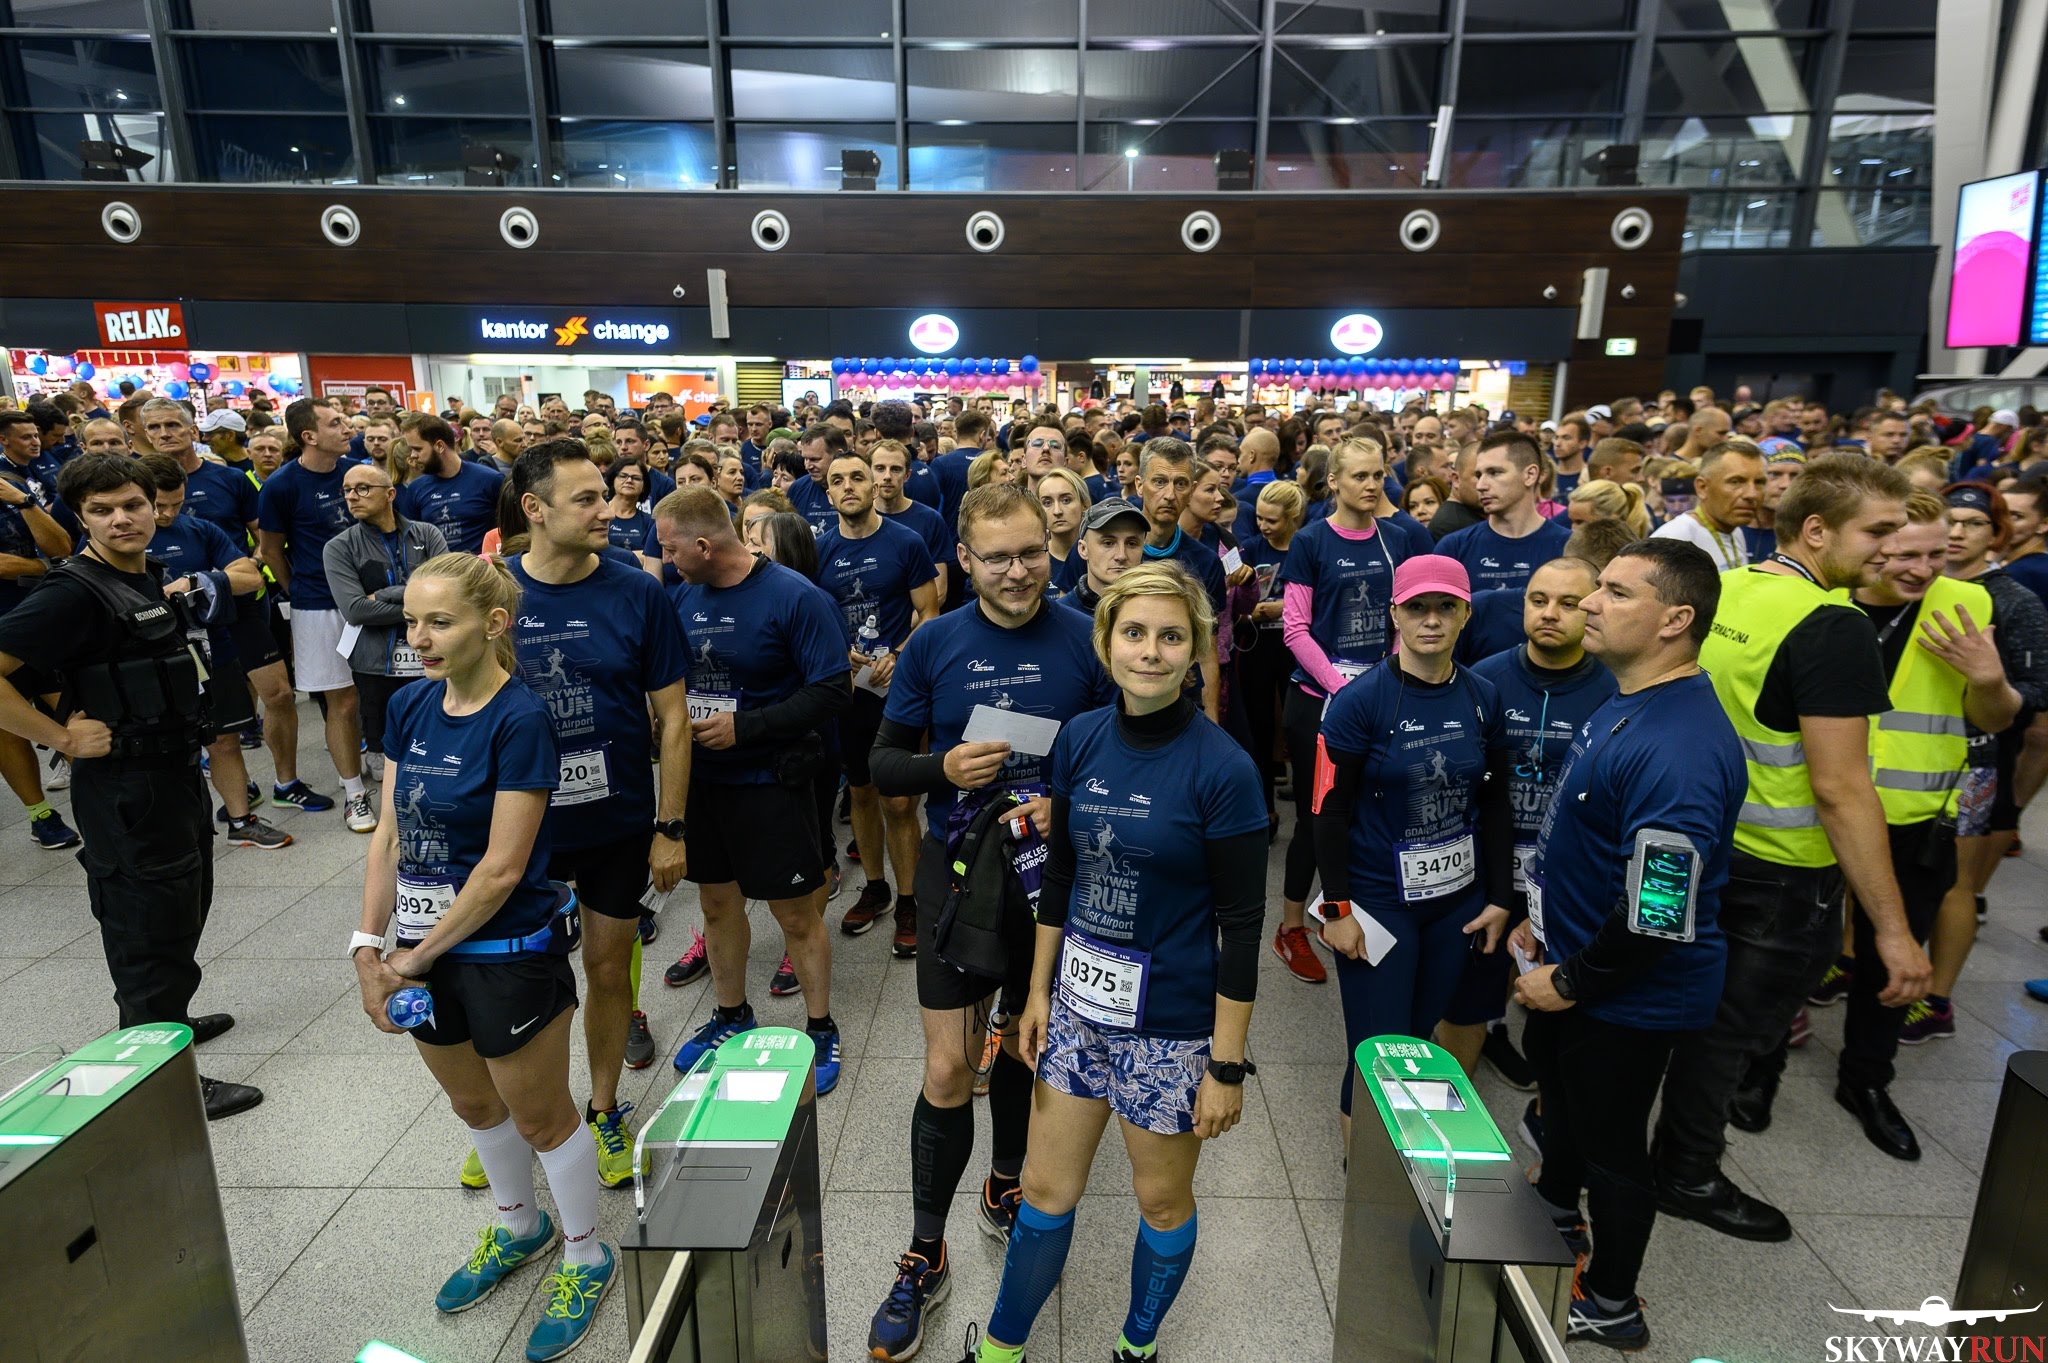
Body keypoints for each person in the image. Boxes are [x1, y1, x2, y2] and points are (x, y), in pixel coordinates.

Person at [954, 562, 1265, 1363]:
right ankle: (1000, 1350)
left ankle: (1137, 1343)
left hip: (1171, 1028)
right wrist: (1037, 993)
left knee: (1160, 1200)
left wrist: (1225, 1066)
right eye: (1134, 632)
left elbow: (1241, 926)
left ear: (1197, 649)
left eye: (1171, 636)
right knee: (1045, 1190)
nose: (1151, 651)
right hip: (1077, 1010)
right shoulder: (1083, 737)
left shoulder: (1225, 768)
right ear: (1106, 641)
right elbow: (1061, 874)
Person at [865, 484, 1117, 1361]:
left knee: (1026, 1043)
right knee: (946, 1067)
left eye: (1032, 551)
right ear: (964, 559)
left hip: (1056, 876)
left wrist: (1068, 803)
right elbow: (882, 763)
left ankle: (1004, 1182)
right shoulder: (936, 642)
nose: (1018, 570)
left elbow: (1124, 756)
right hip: (961, 874)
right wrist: (943, 767)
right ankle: (924, 1250)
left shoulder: (1088, 635)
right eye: (998, 556)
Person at [1654, 455, 1933, 1242]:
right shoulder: (1833, 626)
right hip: (1781, 878)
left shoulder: (1731, 588)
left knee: (1693, 1020)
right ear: (1815, 529)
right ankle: (1686, 1172)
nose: (1893, 546)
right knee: (1730, 1035)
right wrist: (1890, 928)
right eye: (1878, 531)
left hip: (1704, 846)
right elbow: (1841, 788)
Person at [349, 551, 616, 1360]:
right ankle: (519, 1226)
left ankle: (586, 1254)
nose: (419, 639)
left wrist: (412, 957)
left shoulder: (521, 718)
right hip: (423, 954)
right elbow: (389, 834)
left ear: (494, 624)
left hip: (506, 952)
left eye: (440, 622)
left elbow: (502, 869)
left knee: (541, 1115)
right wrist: (368, 945)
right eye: (411, 622)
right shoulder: (408, 706)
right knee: (474, 1107)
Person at [1509, 539, 1746, 1349]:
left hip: (1624, 995)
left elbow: (1657, 910)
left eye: (1614, 591)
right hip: (1574, 962)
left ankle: (1612, 1301)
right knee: (1565, 1106)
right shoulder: (1629, 696)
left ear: (1675, 620)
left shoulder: (1680, 749)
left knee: (1613, 1147)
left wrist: (1569, 981)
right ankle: (1554, 1213)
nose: (1589, 603)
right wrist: (1540, 917)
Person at [0, 454, 262, 1119]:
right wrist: (60, 738)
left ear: (155, 506)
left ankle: (166, 1021)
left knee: (181, 909)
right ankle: (161, 1074)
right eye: (101, 510)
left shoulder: (142, 575)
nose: (121, 519)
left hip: (171, 774)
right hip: (125, 789)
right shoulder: (71, 591)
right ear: (80, 517)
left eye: (132, 504)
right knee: (146, 929)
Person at [503, 437, 693, 1187]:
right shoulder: (495, 591)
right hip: (524, 829)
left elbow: (673, 719)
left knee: (609, 968)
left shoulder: (637, 590)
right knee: (523, 978)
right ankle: (529, 1117)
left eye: (606, 495)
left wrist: (670, 827)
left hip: (617, 819)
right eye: (586, 499)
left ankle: (605, 1109)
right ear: (534, 508)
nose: (607, 510)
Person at [1311, 554, 1516, 1131]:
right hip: (1379, 904)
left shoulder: (1483, 696)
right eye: (1417, 607)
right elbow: (1328, 810)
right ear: (1394, 614)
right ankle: (1364, 1172)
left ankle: (1406, 1159)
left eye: (1446, 607)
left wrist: (1500, 897)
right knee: (1378, 1049)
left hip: (1456, 905)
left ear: (1466, 614)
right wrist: (1337, 909)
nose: (1431, 620)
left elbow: (1495, 802)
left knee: (1420, 1041)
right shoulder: (1358, 702)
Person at [653, 489, 849, 1091]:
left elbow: (832, 691)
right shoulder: (683, 596)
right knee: (716, 905)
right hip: (704, 784)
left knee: (794, 914)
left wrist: (748, 727)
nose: (666, 561)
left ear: (704, 545)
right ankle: (732, 1015)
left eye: (671, 550)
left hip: (770, 782)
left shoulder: (795, 596)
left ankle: (820, 1027)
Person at [1456, 557, 1616, 1084]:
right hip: (1486, 866)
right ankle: (1464, 1068)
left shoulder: (1614, 690)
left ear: (1592, 608)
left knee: (1547, 989)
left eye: (1569, 603)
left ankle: (1509, 1040)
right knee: (1471, 985)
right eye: (1539, 600)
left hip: (1568, 873)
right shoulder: (1483, 678)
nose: (1550, 613)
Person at [1273, 435, 1416, 984]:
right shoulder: (1311, 540)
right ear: (1333, 481)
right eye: (1359, 475)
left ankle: (1344, 912)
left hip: (1378, 694)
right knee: (1316, 820)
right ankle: (1291, 927)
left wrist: (1389, 677)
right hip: (1318, 701)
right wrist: (1341, 686)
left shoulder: (1397, 538)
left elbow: (1402, 618)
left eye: (1378, 475)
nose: (1372, 485)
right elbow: (1294, 629)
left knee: (1366, 811)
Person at [816, 445, 941, 939]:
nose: (848, 486)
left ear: (873, 485)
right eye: (838, 480)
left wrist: (901, 653)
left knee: (900, 803)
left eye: (857, 477)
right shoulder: (820, 550)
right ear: (828, 494)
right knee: (861, 794)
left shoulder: (906, 542)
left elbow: (929, 613)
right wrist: (836, 652)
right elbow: (809, 620)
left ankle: (909, 899)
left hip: (897, 691)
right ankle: (875, 887)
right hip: (847, 692)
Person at [137, 455, 290, 850]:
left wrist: (196, 581)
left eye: (176, 504)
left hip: (208, 650)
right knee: (160, 750)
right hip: (146, 660)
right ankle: (167, 834)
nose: (167, 514)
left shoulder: (200, 529)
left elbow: (250, 576)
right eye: (158, 505)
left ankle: (241, 821)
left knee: (224, 741)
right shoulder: (118, 538)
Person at [257, 396, 375, 830]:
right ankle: (355, 795)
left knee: (374, 692)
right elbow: (271, 550)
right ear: (309, 435)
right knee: (341, 699)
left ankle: (374, 758)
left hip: (372, 598)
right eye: (334, 423)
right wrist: (299, 591)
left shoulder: (358, 472)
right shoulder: (281, 485)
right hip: (318, 604)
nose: (346, 428)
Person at [324, 461, 448, 785]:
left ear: (390, 494)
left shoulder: (427, 534)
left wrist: (384, 594)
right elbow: (356, 610)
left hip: (431, 653)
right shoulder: (339, 547)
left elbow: (446, 590)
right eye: (347, 490)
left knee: (436, 732)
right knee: (384, 754)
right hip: (374, 662)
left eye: (363, 488)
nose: (352, 497)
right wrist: (420, 602)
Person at [0, 432, 83, 850]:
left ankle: (103, 800)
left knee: (71, 711)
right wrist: (41, 566)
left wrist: (24, 502)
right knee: (8, 728)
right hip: (7, 628)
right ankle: (41, 815)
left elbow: (62, 547)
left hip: (39, 621)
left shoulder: (15, 484)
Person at [1134, 438, 1226, 725]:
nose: (1170, 495)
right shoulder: (1110, 551)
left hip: (1181, 699)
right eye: (1159, 482)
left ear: (1191, 490)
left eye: (1181, 484)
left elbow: (1207, 651)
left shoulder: (1206, 562)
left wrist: (1211, 721)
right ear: (1140, 485)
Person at [1237, 480, 1307, 831]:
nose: (1263, 526)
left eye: (1272, 520)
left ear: (1292, 518)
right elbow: (1231, 600)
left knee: (1299, 729)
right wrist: (1251, 610)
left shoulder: (1306, 547)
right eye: (1259, 518)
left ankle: (1309, 812)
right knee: (1259, 730)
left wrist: (1285, 608)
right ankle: (1264, 809)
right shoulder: (1250, 548)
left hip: (1297, 649)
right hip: (1256, 648)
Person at [1437, 430, 1573, 593]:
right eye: (1479, 475)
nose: (1481, 485)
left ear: (1530, 475)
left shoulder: (1567, 545)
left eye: (1494, 473)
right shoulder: (1454, 547)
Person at [396, 414, 506, 556]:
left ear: (440, 446)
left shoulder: (490, 480)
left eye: (417, 449)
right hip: (437, 568)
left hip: (482, 567)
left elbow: (511, 531)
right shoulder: (416, 489)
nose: (413, 455)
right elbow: (410, 542)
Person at [1650, 441, 1766, 571]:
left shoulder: (1735, 532)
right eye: (1735, 482)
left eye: (1759, 482)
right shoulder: (1673, 539)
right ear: (1702, 487)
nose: (1752, 494)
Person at [874, 438, 955, 607]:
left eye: (895, 469)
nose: (887, 476)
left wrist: (909, 623)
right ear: (869, 473)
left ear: (907, 475)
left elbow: (939, 592)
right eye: (880, 468)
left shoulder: (930, 520)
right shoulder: (857, 520)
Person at [1060, 496, 1150, 618]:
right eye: (1108, 543)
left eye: (1131, 544)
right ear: (1083, 549)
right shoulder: (1060, 616)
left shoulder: (1157, 612)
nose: (1121, 555)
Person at [1038, 466, 1092, 596]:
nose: (1057, 511)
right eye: (1047, 503)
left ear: (1084, 504)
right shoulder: (1034, 560)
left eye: (1066, 500)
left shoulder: (1099, 557)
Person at [603, 461, 659, 556]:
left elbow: (651, 557)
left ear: (644, 486)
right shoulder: (600, 515)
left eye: (636, 478)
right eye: (623, 476)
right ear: (613, 480)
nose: (629, 480)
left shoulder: (649, 522)